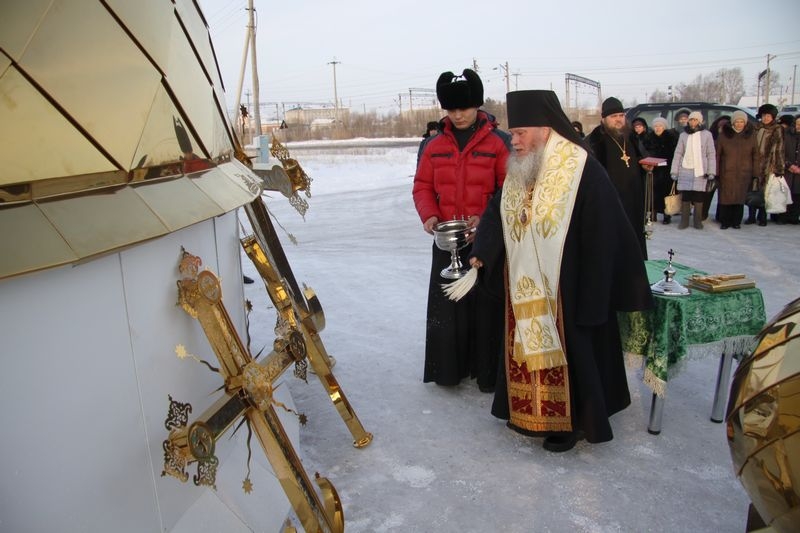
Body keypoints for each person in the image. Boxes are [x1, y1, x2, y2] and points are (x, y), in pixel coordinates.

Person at [461, 90, 653, 452]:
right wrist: (483, 251)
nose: (514, 141)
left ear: (545, 129)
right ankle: (526, 413)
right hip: (524, 280)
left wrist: (594, 287)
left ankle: (573, 424)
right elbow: (499, 210)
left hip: (569, 286)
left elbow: (606, 230)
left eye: (520, 133)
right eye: (512, 133)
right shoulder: (522, 166)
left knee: (574, 356)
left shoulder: (581, 168)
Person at [412, 68, 511, 392]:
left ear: (477, 105)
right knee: (448, 307)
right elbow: (422, 186)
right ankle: (448, 370)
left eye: (464, 108)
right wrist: (429, 215)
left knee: (485, 308)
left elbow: (507, 189)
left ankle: (486, 371)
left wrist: (486, 219)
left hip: (485, 241)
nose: (458, 115)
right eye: (452, 109)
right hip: (447, 240)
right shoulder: (433, 145)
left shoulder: (499, 143)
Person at [586, 96, 648, 258]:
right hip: (611, 201)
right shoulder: (595, 140)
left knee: (634, 240)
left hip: (633, 199)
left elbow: (641, 158)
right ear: (603, 119)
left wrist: (645, 166)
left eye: (621, 115)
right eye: (614, 116)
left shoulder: (631, 136)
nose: (619, 119)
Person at [670, 111, 716, 229]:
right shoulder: (683, 135)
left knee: (698, 196)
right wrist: (674, 171)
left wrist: (711, 171)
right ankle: (684, 221)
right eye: (691, 119)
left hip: (700, 170)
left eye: (695, 120)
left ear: (700, 121)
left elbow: (711, 154)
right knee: (686, 196)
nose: (693, 122)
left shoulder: (707, 135)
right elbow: (678, 153)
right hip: (685, 169)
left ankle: (697, 221)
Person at [715, 110, 758, 229]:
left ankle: (736, 221)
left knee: (739, 198)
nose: (739, 124)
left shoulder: (751, 136)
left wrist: (755, 173)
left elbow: (755, 155)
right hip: (726, 172)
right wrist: (716, 172)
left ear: (745, 123)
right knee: (725, 198)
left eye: (741, 122)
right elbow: (717, 155)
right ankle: (725, 221)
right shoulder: (724, 135)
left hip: (744, 172)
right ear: (733, 122)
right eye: (737, 121)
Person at [749, 103, 785, 226]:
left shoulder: (777, 129)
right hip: (754, 163)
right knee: (752, 190)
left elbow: (780, 149)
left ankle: (762, 216)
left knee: (765, 192)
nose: (766, 118)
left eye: (768, 116)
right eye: (764, 115)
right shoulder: (756, 127)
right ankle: (751, 215)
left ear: (773, 117)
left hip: (769, 165)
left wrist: (779, 167)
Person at [643, 117, 678, 224]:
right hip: (653, 170)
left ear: (664, 127)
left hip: (666, 169)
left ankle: (667, 215)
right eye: (656, 126)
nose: (658, 128)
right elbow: (645, 152)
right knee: (653, 193)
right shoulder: (649, 138)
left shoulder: (670, 138)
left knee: (666, 193)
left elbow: (674, 154)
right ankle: (652, 213)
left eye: (660, 126)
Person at [781, 115, 800, 224]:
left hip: (799, 172)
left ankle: (794, 217)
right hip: (787, 169)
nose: (799, 126)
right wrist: (789, 165)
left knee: (797, 194)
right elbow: (780, 152)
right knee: (785, 192)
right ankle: (782, 217)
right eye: (797, 124)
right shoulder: (786, 135)